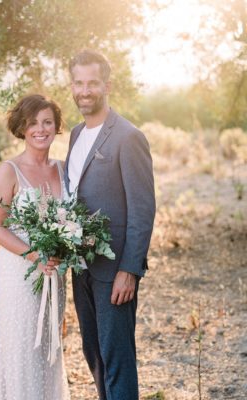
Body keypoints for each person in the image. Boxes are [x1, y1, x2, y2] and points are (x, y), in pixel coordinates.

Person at [65, 49, 155, 400]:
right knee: (95, 356)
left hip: (114, 270)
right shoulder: (74, 134)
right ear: (71, 86)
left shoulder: (128, 137)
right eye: (78, 82)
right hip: (80, 267)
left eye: (92, 83)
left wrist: (129, 270)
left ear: (107, 85)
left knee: (117, 359)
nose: (84, 90)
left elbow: (142, 209)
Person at [0, 94, 70, 400]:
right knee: (21, 350)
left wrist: (61, 249)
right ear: (22, 128)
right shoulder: (8, 171)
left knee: (48, 351)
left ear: (56, 126)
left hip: (54, 272)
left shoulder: (65, 169)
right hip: (19, 273)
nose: (41, 129)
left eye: (47, 122)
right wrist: (34, 255)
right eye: (33, 123)